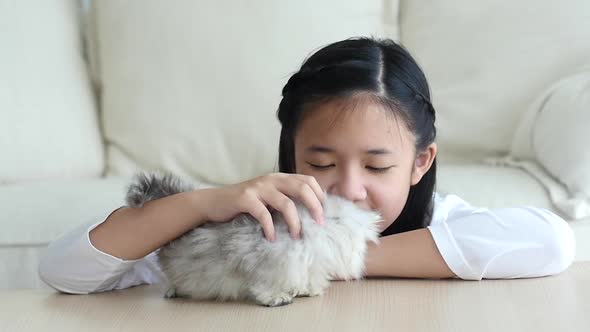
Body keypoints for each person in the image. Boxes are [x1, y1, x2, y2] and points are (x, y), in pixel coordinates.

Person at [38, 37, 576, 294]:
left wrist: (336, 253)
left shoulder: (443, 226)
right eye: (320, 162)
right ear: (292, 154)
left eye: (378, 166)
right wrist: (204, 203)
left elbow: (553, 240)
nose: (350, 188)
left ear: (420, 163)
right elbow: (63, 269)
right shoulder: (248, 238)